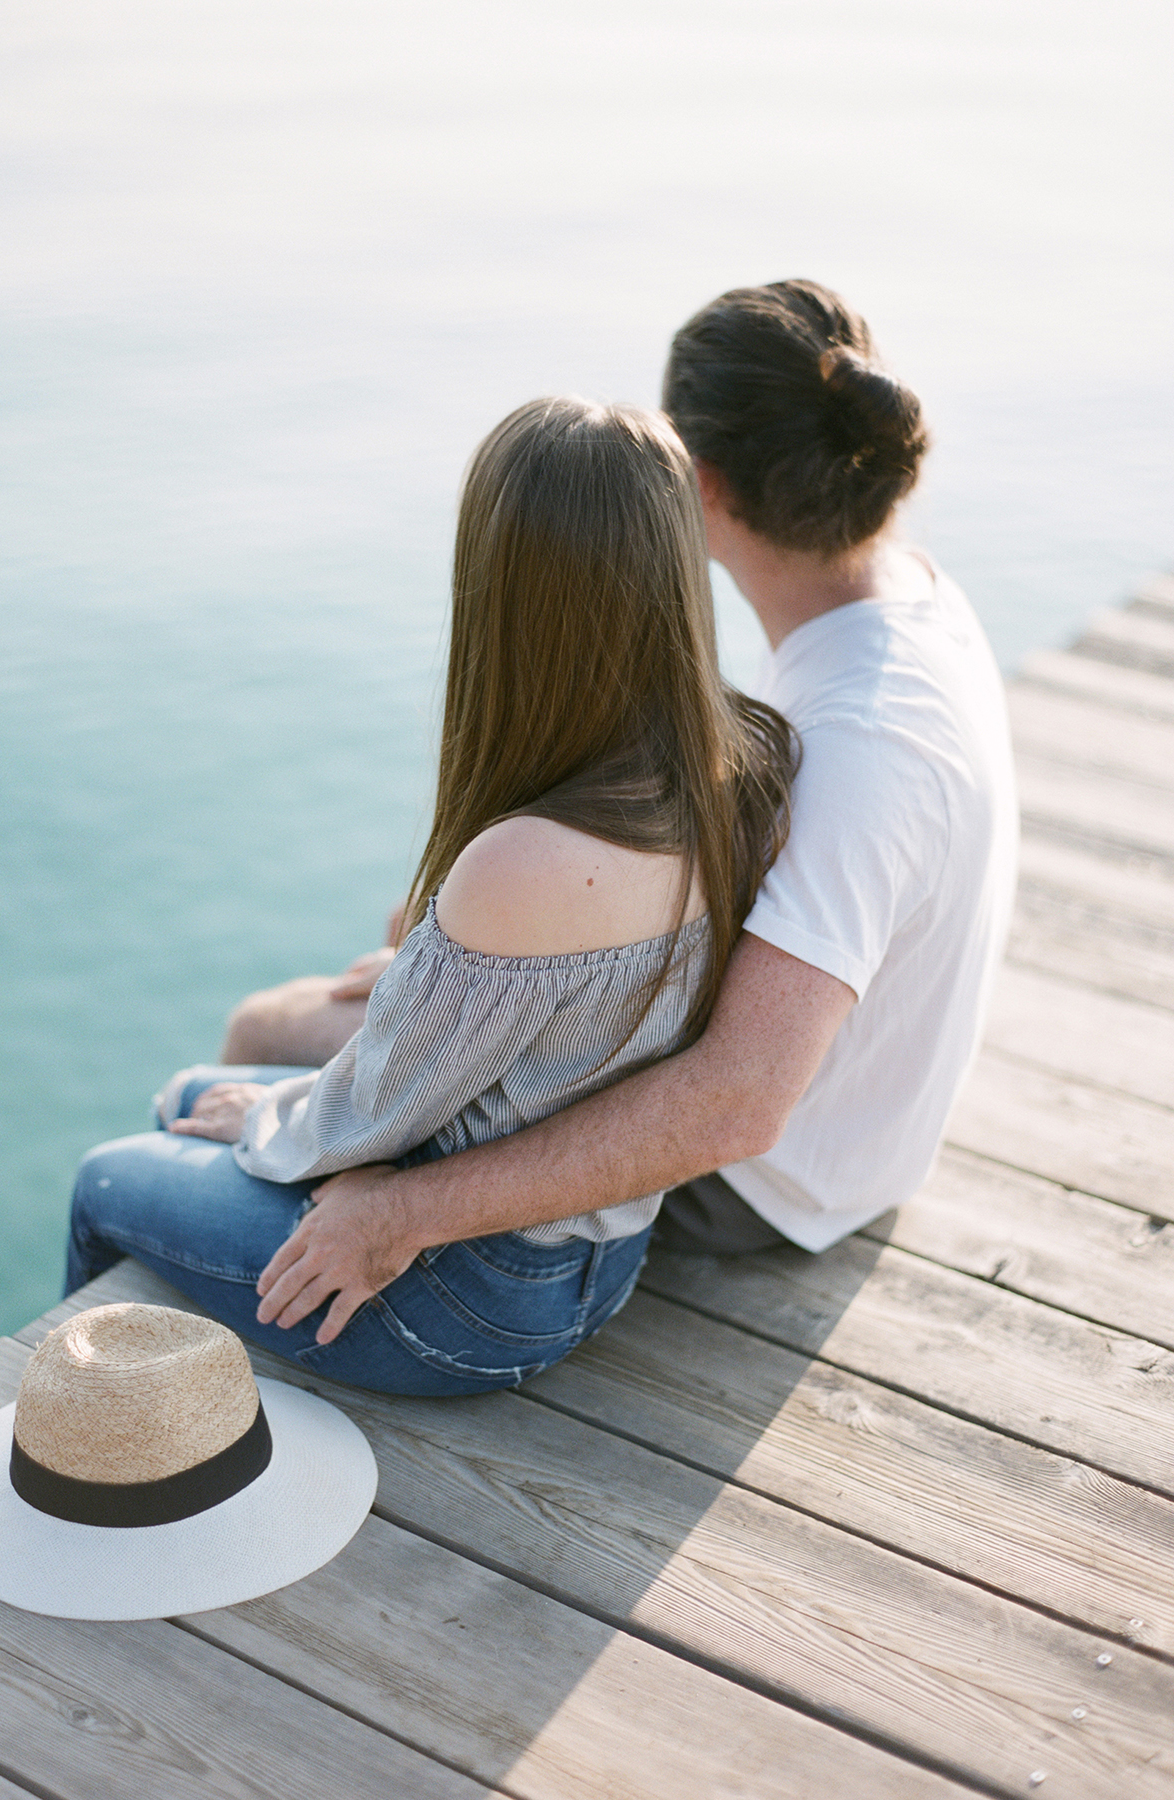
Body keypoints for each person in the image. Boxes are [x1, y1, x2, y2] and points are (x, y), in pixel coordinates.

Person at [207, 278, 1017, 1324]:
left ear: (701, 482)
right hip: (853, 1128)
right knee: (405, 957)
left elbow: (738, 1103)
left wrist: (404, 1211)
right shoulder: (911, 602)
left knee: (265, 1028)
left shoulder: (864, 744)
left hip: (767, 1190)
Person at [66, 397, 798, 1395]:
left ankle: (123, 1449)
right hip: (601, 1257)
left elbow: (374, 1116)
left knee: (116, 1171)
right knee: (207, 1104)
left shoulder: (528, 861)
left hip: (471, 1299)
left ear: (502, 586)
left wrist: (266, 1119)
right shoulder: (746, 764)